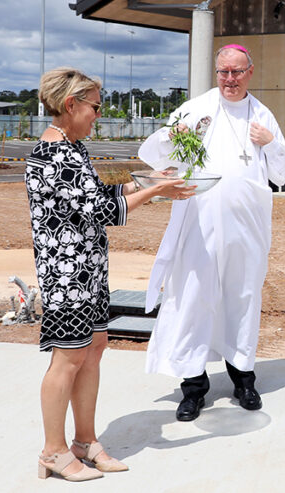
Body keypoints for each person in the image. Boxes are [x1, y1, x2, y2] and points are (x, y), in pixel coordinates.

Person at [26, 67, 196, 482]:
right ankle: (53, 450)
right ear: (71, 105)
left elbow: (97, 195)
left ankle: (85, 441)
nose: (98, 115)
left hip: (89, 270)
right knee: (67, 359)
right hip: (66, 276)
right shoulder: (53, 155)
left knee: (95, 347)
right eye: (95, 107)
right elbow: (102, 212)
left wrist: (150, 181)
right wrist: (155, 192)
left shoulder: (73, 147)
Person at [138, 44, 285, 421]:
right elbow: (158, 155)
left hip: (247, 230)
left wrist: (270, 144)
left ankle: (243, 378)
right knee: (194, 297)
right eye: (223, 72)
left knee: (242, 298)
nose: (230, 79)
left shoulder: (263, 116)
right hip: (200, 226)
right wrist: (176, 133)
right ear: (216, 73)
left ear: (250, 72)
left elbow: (284, 172)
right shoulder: (196, 109)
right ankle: (193, 387)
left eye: (237, 72)